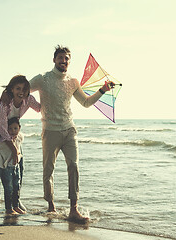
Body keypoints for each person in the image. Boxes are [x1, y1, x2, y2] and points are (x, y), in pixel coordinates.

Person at [29, 45, 113, 223]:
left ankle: (73, 209)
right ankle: (50, 205)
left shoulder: (73, 82)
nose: (64, 61)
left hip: (69, 130)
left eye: (67, 58)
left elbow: (86, 103)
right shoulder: (42, 79)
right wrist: (32, 104)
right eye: (60, 57)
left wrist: (103, 90)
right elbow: (23, 90)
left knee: (73, 166)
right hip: (50, 130)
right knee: (48, 169)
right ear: (54, 59)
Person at [0, 75, 40, 217]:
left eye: (24, 89)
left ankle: (15, 201)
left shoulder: (28, 100)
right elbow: (2, 129)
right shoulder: (4, 103)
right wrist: (14, 150)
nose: (21, 92)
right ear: (11, 89)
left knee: (19, 167)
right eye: (17, 88)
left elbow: (41, 108)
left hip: (13, 135)